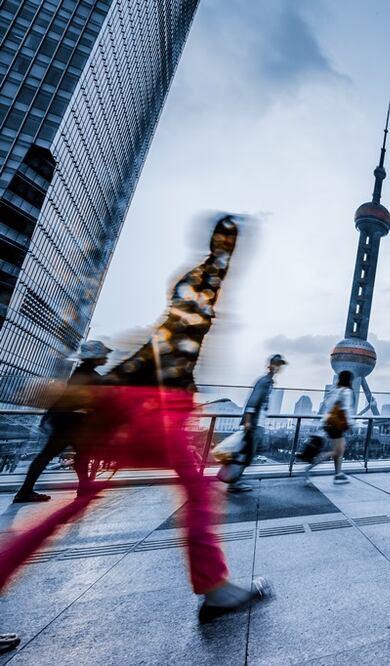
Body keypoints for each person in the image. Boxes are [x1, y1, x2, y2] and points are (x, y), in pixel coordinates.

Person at [0, 215, 269, 623]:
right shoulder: (185, 323)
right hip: (158, 414)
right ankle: (215, 588)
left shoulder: (172, 323)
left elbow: (139, 361)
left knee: (80, 505)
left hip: (147, 410)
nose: (210, 304)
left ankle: (215, 586)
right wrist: (223, 250)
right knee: (196, 493)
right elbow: (195, 301)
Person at [12, 341, 111, 503]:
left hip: (68, 420)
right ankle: (25, 491)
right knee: (53, 454)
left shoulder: (84, 373)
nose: (106, 358)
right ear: (96, 357)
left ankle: (83, 487)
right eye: (103, 355)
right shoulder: (87, 375)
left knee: (77, 454)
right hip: (70, 422)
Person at [225, 354, 287, 493]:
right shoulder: (264, 381)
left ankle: (235, 479)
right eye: (277, 364)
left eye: (280, 365)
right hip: (254, 424)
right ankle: (233, 482)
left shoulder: (269, 382)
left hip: (259, 424)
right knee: (246, 454)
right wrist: (248, 421)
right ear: (271, 365)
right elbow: (253, 401)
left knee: (249, 453)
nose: (279, 368)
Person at [310, 370, 353, 483]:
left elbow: (328, 406)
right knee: (337, 451)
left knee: (340, 449)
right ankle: (310, 467)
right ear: (349, 380)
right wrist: (350, 423)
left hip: (329, 422)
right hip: (337, 424)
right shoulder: (346, 391)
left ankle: (338, 473)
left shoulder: (335, 390)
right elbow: (345, 410)